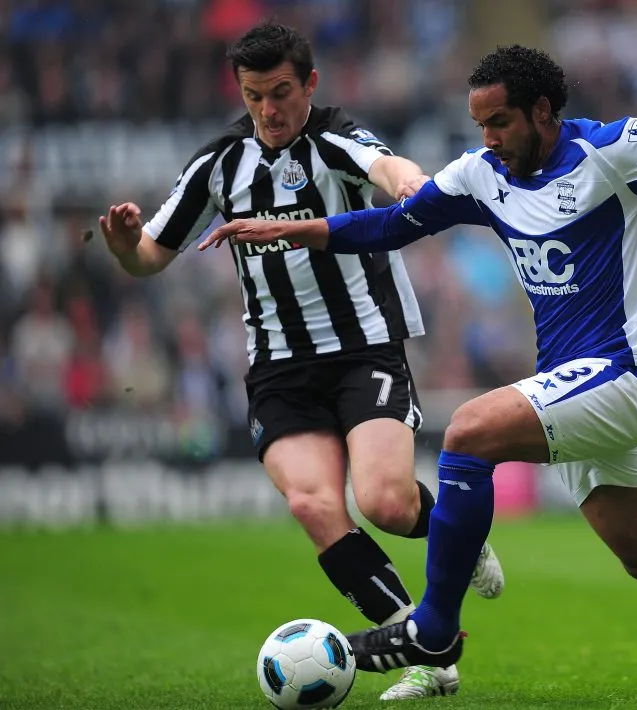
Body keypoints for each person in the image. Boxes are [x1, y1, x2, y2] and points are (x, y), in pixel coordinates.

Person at [201, 44, 637, 696]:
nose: (488, 137)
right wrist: (296, 230)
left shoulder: (608, 151)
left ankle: (433, 628)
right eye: (480, 124)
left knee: (468, 431)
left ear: (543, 111)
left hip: (627, 372)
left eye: (500, 122)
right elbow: (392, 225)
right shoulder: (481, 176)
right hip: (573, 384)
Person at [97, 22, 504, 701]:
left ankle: (460, 540)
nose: (269, 110)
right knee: (315, 504)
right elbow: (147, 260)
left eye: (282, 92)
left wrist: (414, 186)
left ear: (309, 84)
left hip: (362, 347)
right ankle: (426, 648)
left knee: (383, 501)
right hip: (279, 368)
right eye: (255, 96)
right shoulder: (218, 164)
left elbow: (390, 168)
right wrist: (122, 244)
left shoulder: (337, 138)